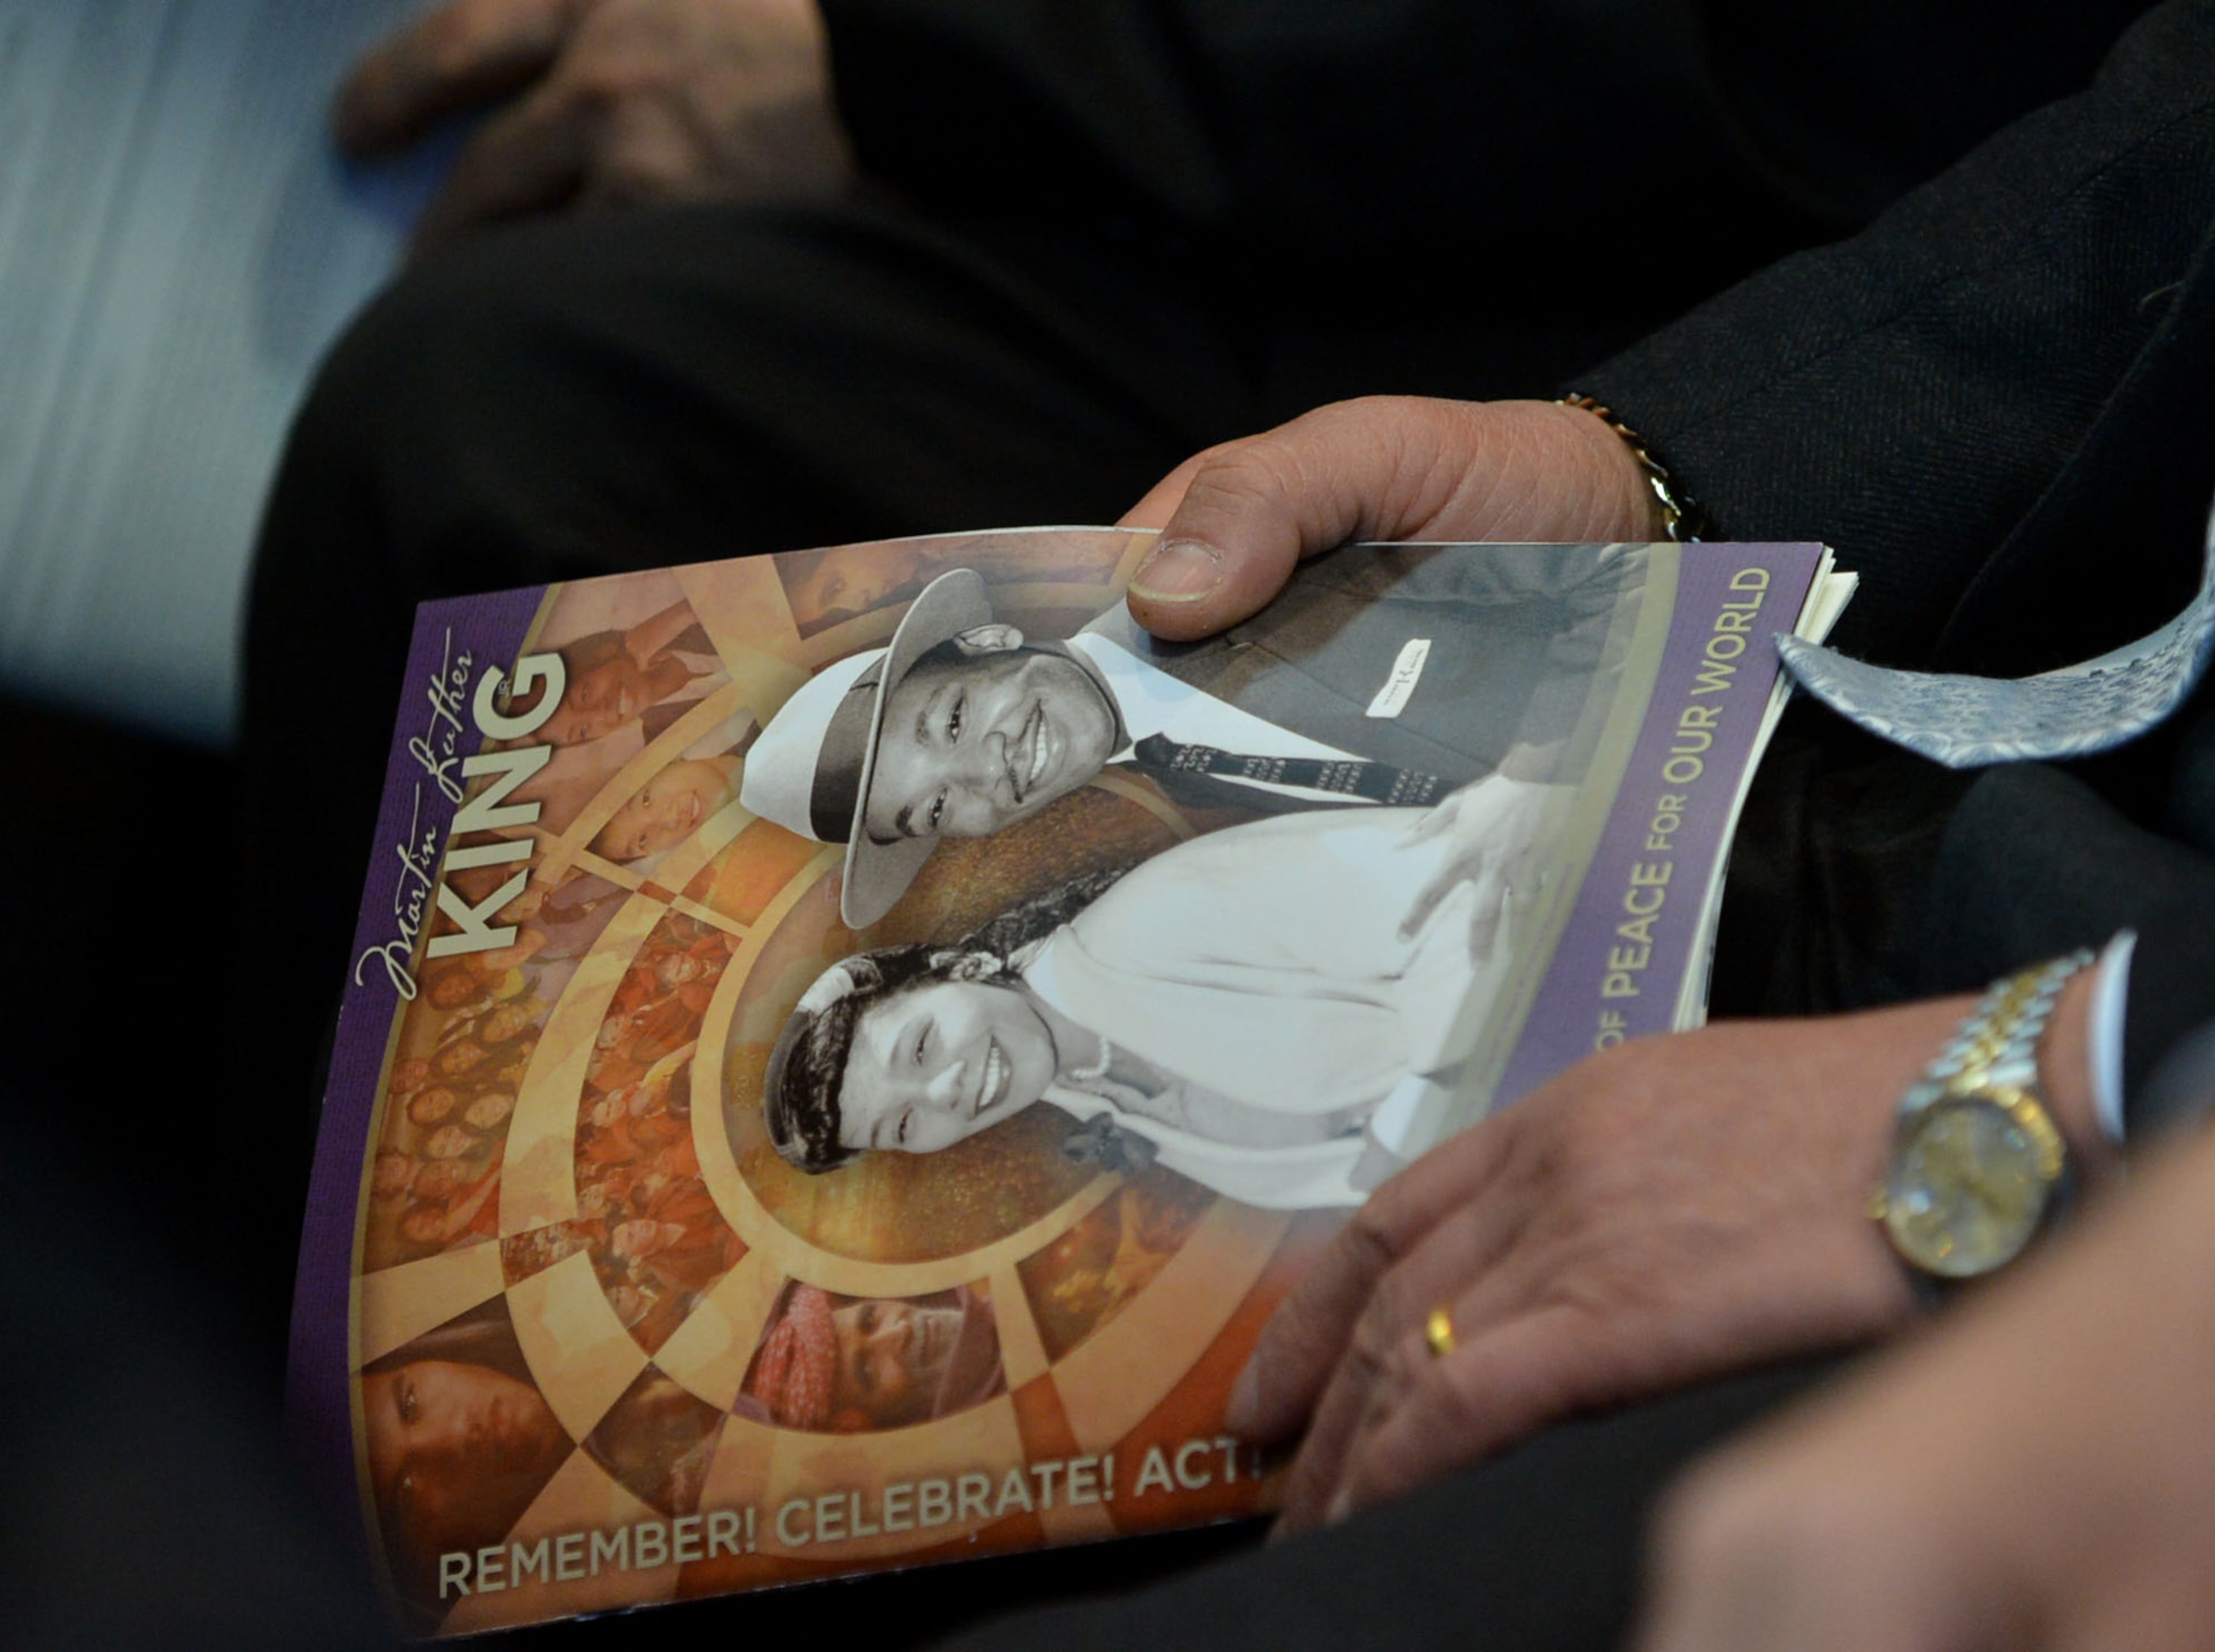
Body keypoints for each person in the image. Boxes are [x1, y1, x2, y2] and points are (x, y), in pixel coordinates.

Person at [740, 548, 1632, 923]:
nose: (988, 769)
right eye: (934, 806)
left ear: (987, 644)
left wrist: (1536, 775)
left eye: (954, 720)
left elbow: (1622, 568)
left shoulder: (1261, 581)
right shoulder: (1192, 788)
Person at [764, 778, 1516, 1207]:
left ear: (960, 970)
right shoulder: (1100, 1105)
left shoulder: (1159, 916)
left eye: (919, 1045)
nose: (946, 1090)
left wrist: (1411, 1123)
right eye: (902, 1126)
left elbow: (1473, 884)